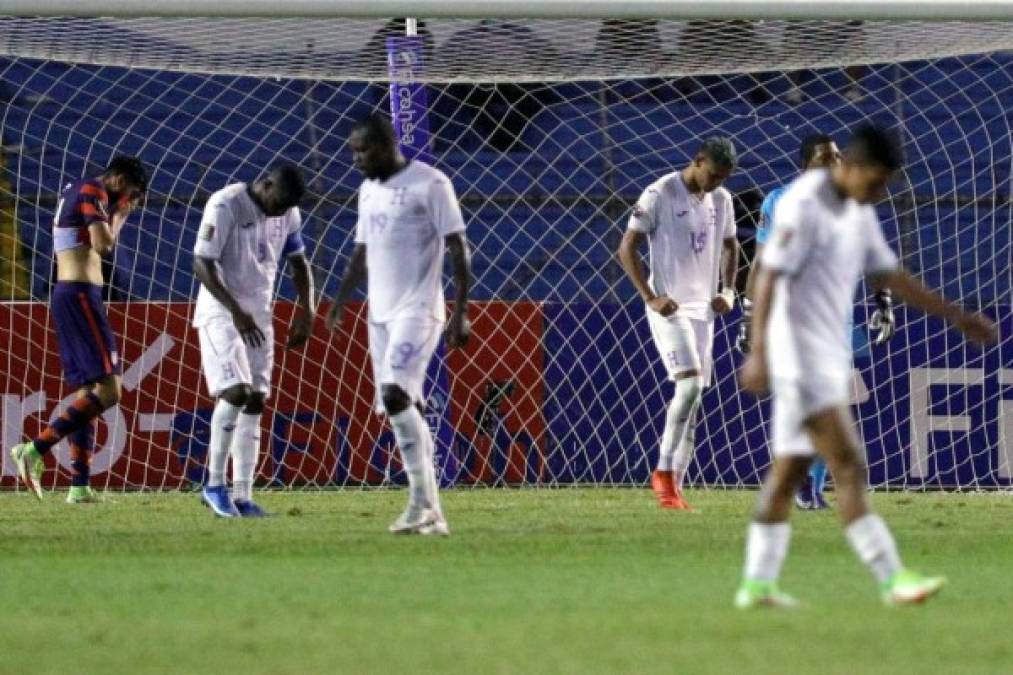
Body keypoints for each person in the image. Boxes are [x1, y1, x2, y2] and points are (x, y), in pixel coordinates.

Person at [735, 125, 996, 608]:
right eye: (876, 182)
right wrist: (759, 350)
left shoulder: (858, 208)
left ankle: (757, 584)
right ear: (850, 166)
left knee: (789, 471)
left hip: (826, 351)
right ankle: (892, 579)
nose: (879, 193)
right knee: (850, 465)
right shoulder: (802, 203)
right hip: (798, 354)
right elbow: (769, 271)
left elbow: (888, 274)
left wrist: (957, 316)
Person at [327, 114, 472, 536]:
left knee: (394, 395)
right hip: (380, 315)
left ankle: (419, 505)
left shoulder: (431, 183)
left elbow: (459, 247)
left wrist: (461, 311)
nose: (356, 159)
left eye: (363, 150)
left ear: (389, 143)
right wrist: (339, 300)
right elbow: (361, 249)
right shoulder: (367, 190)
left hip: (419, 310)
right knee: (406, 407)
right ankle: (434, 513)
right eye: (352, 151)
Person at [739, 132, 897, 510]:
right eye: (827, 157)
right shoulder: (780, 201)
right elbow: (761, 259)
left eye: (839, 156)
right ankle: (805, 487)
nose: (836, 162)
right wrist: (748, 315)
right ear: (807, 164)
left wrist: (884, 301)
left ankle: (809, 486)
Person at [10, 156, 147, 503]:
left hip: (72, 293)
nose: (128, 198)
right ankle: (34, 449)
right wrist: (120, 215)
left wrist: (119, 212)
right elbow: (104, 246)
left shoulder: (80, 188)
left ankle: (79, 486)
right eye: (130, 191)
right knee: (111, 391)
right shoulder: (93, 190)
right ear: (118, 179)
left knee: (89, 392)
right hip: (79, 295)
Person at [618, 137, 741, 510]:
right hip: (669, 310)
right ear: (699, 160)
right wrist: (650, 297)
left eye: (724, 178)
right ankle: (663, 476)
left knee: (696, 398)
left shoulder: (722, 200)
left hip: (704, 310)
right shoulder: (659, 192)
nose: (717, 183)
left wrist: (729, 290)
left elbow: (731, 245)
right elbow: (626, 249)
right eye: (714, 175)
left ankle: (676, 489)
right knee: (687, 388)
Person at [192, 163, 315, 518]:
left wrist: (306, 310)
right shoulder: (225, 203)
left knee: (256, 401)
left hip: (259, 315)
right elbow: (201, 262)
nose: (282, 210)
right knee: (235, 391)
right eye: (280, 201)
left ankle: (242, 496)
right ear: (266, 183)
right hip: (222, 313)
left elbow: (298, 262)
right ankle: (214, 485)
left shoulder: (287, 212)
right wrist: (235, 311)